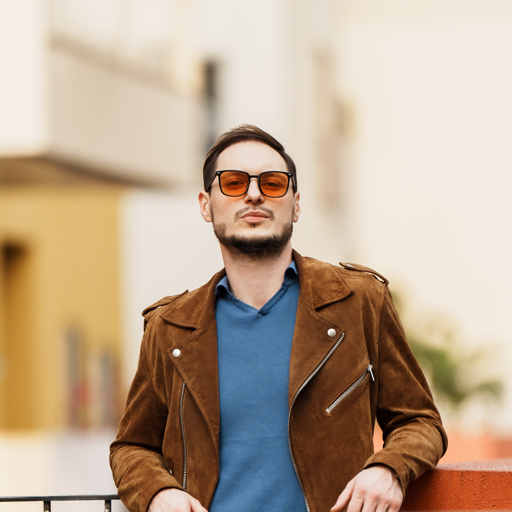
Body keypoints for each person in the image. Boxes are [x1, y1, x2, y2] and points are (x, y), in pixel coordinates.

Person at [110, 125, 447, 512]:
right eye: (234, 183)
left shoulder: (358, 303)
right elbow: (132, 447)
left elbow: (420, 421)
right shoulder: (170, 327)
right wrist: (158, 493)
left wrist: (389, 468)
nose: (254, 194)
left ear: (296, 204)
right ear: (206, 205)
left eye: (272, 183)